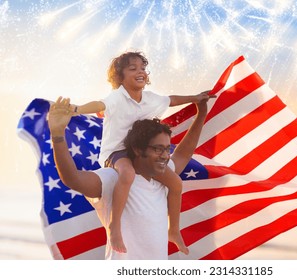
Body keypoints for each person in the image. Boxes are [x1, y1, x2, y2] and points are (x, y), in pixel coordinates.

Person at [66, 51, 214, 254]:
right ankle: (114, 226)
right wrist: (76, 109)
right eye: (132, 68)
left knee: (176, 183)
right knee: (127, 174)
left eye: (143, 68)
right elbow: (98, 105)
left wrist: (195, 98)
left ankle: (174, 230)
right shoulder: (116, 98)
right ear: (120, 76)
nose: (140, 72)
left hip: (138, 154)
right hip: (116, 152)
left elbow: (171, 100)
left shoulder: (150, 99)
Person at [48, 96, 209, 259]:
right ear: (138, 150)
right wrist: (58, 135)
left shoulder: (161, 177)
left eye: (167, 149)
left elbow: (183, 154)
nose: (165, 156)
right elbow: (72, 179)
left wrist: (201, 114)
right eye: (158, 149)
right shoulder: (113, 178)